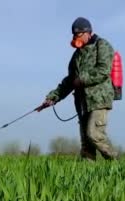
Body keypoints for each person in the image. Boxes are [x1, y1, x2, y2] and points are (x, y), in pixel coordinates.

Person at [38, 17, 118, 161]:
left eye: (78, 34)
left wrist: (81, 79)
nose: (76, 38)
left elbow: (103, 70)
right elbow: (70, 81)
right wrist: (53, 98)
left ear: (88, 32)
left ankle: (116, 163)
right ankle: (89, 177)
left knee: (94, 135)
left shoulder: (103, 45)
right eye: (74, 35)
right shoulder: (76, 55)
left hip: (99, 99)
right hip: (82, 102)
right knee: (86, 145)